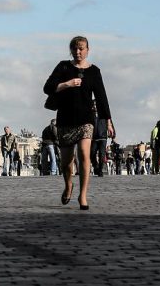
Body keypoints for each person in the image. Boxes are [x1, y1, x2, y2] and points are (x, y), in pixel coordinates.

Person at [42, 35, 114, 209]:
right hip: (66, 119)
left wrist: (108, 122)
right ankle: (68, 185)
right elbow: (48, 88)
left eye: (81, 48)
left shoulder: (94, 71)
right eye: (75, 48)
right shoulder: (63, 67)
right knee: (66, 162)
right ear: (71, 50)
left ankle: (83, 195)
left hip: (86, 120)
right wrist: (67, 84)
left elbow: (102, 98)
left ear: (88, 50)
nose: (78, 52)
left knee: (84, 153)